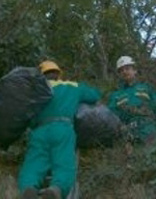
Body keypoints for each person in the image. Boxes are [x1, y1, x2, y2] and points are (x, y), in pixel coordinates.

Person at [18, 60, 101, 199]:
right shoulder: (71, 86)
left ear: (41, 75)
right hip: (62, 128)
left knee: (33, 164)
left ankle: (28, 188)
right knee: (64, 163)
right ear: (58, 74)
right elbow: (94, 95)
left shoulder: (35, 90)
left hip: (39, 131)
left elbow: (29, 116)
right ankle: (56, 190)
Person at [108, 56, 156, 146]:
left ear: (134, 70)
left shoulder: (146, 88)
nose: (124, 72)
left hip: (149, 129)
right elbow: (112, 116)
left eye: (127, 68)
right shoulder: (115, 95)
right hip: (128, 135)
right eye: (121, 70)